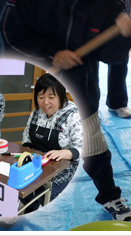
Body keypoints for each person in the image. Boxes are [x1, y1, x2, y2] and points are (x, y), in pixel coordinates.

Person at [0, 0, 131, 221]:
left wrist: (125, 36)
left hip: (78, 88)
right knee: (25, 147)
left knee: (93, 147)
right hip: (29, 80)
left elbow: (112, 56)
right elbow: (9, 32)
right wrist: (51, 54)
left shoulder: (111, 3)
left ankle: (110, 196)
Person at [20, 73, 83, 213]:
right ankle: (29, 208)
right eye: (41, 97)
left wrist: (64, 153)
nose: (45, 102)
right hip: (37, 162)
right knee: (21, 183)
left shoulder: (72, 114)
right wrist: (28, 150)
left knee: (46, 193)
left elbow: (80, 147)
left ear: (61, 96)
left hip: (63, 166)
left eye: (51, 97)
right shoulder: (36, 113)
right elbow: (26, 135)